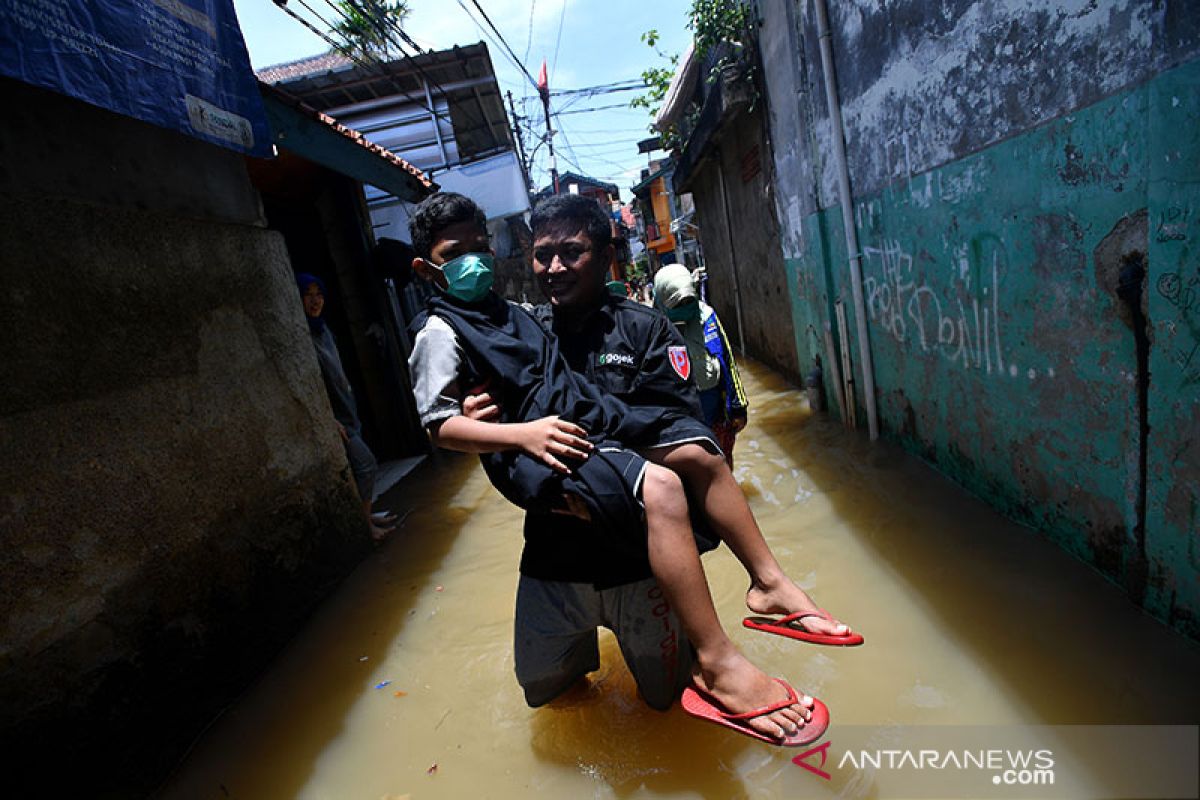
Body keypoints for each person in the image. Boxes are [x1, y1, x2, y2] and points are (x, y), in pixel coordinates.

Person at [407, 193, 857, 744]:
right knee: (554, 700)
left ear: (606, 255)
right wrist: (491, 424)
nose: (554, 268)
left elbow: (675, 424)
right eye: (543, 254)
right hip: (554, 555)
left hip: (637, 560)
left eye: (571, 252)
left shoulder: (644, 330)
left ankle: (757, 605)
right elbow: (465, 417)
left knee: (667, 706)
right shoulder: (521, 326)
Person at [297, 273, 396, 541]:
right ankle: (366, 527)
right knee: (366, 466)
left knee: (356, 469)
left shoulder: (322, 330)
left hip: (347, 409)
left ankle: (367, 515)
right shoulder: (301, 336)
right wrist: (327, 418)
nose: (315, 300)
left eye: (319, 294)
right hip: (336, 417)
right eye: (308, 294)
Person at [653, 264, 748, 467]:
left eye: (689, 301)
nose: (685, 308)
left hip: (714, 411)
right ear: (661, 300)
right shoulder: (652, 327)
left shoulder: (707, 316)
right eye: (677, 304)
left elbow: (727, 359)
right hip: (679, 421)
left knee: (720, 469)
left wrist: (739, 406)